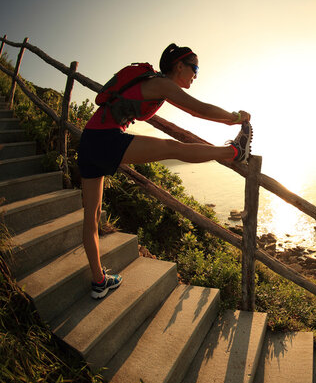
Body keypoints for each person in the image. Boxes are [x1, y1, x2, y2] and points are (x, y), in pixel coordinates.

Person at [77, 43, 251, 299]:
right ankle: (235, 152)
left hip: (90, 141)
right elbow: (199, 109)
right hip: (105, 139)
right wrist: (236, 117)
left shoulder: (154, 84)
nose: (196, 74)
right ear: (179, 66)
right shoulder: (161, 84)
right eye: (195, 68)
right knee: (174, 148)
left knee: (91, 217)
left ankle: (99, 281)